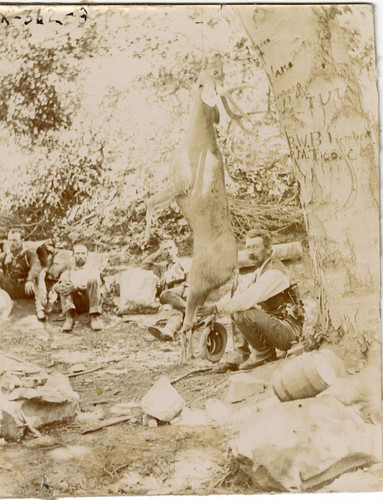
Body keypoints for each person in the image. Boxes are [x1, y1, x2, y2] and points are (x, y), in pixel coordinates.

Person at [199, 229, 305, 372]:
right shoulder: (259, 271)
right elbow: (238, 294)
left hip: (290, 331)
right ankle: (241, 354)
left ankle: (264, 354)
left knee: (243, 312)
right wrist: (213, 312)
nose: (250, 252)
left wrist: (216, 308)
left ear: (268, 250)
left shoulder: (275, 272)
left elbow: (246, 299)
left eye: (255, 247)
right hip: (278, 326)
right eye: (248, 248)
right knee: (235, 305)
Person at [143, 238, 187, 341]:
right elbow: (144, 265)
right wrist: (158, 253)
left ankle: (191, 311)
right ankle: (168, 331)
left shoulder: (183, 262)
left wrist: (187, 289)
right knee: (177, 314)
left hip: (182, 292)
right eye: (165, 250)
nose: (168, 251)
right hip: (173, 300)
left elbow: (190, 278)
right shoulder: (162, 268)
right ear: (162, 254)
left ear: (176, 250)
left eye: (170, 248)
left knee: (164, 295)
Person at [54, 240, 103, 332]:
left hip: (90, 301)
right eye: (77, 253)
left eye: (83, 253)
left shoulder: (93, 269)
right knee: (64, 280)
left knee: (93, 280)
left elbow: (96, 285)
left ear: (87, 255)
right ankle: (69, 317)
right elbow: (57, 285)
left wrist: (76, 288)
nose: (80, 256)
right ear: (73, 256)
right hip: (75, 304)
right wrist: (57, 287)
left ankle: (94, 317)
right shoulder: (69, 270)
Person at [0, 228, 46, 320]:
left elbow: (36, 266)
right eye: (10, 240)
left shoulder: (29, 254)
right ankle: (4, 303)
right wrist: (3, 265)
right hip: (11, 287)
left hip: (26, 288)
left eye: (15, 240)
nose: (12, 243)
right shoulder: (6, 254)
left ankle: (40, 308)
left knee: (39, 277)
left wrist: (30, 280)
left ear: (22, 240)